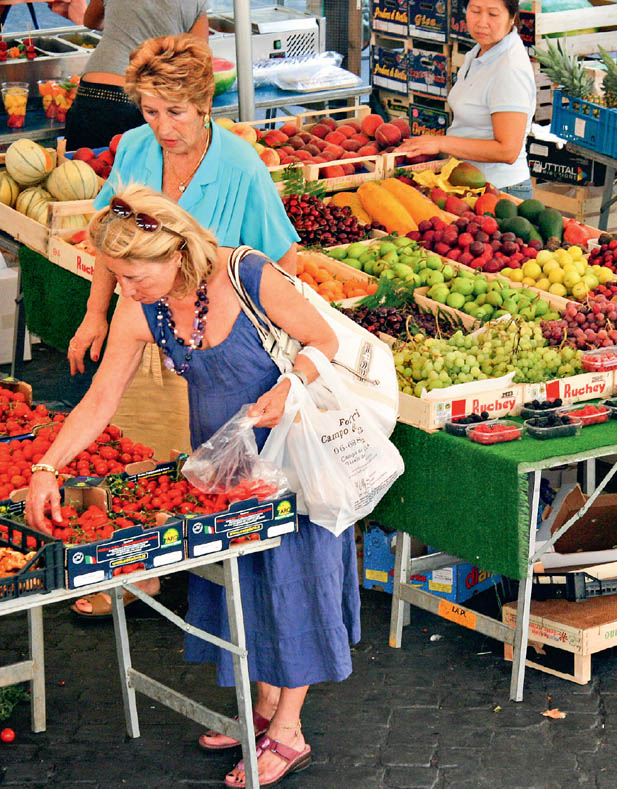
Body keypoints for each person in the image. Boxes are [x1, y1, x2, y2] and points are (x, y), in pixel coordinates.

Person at [25, 185, 360, 788]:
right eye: (117, 277)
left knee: (293, 583)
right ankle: (260, 709)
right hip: (224, 467)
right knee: (246, 584)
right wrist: (47, 466)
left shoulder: (248, 275)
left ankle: (288, 730)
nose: (124, 289)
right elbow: (101, 399)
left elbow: (328, 340)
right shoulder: (141, 308)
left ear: (174, 254)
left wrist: (292, 384)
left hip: (293, 458)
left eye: (133, 275)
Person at [67, 34, 300, 618]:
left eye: (175, 112)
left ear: (203, 106)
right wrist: (96, 313)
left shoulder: (240, 164)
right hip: (145, 324)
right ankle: (137, 566)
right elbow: (110, 241)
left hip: (217, 340)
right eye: (150, 111)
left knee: (202, 463)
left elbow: (282, 260)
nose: (163, 126)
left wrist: (272, 350)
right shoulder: (138, 151)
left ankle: (199, 569)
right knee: (141, 451)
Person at [395, 0, 535, 194]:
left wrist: (441, 143)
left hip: (500, 190)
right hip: (468, 183)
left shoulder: (509, 69)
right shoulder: (480, 52)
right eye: (475, 11)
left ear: (512, 18)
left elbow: (507, 150)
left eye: (493, 14)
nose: (481, 22)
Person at [63, 0, 209, 150]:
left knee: (84, 169)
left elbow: (91, 21)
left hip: (94, 89)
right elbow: (199, 59)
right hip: (149, 96)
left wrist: (124, 22)